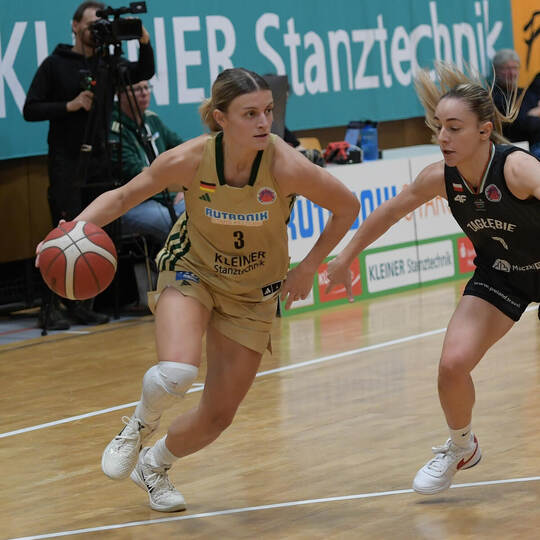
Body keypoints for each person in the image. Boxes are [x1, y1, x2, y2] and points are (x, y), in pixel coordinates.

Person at [37, 68, 359, 512]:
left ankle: (153, 466)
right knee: (177, 371)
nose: (264, 122)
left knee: (218, 416)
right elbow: (123, 197)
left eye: (268, 111)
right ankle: (137, 426)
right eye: (250, 113)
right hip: (193, 270)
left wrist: (307, 267)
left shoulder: (285, 165)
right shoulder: (190, 158)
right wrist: (70, 231)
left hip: (253, 293)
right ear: (220, 118)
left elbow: (347, 206)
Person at [326, 62, 540, 495]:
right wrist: (345, 257)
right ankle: (462, 447)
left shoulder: (517, 169)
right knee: (451, 366)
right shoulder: (440, 178)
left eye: (454, 128)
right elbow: (389, 212)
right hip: (502, 275)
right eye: (439, 126)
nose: (442, 137)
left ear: (484, 131)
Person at [23, 1, 155, 329]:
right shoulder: (55, 64)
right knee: (65, 230)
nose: (95, 31)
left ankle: (83, 303)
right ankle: (50, 307)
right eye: (90, 24)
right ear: (74, 26)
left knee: (97, 230)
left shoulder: (107, 64)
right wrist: (69, 105)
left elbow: (143, 72)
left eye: (100, 25)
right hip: (67, 160)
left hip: (101, 159)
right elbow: (30, 109)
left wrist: (144, 41)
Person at [110, 80, 185, 248]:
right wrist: (177, 183)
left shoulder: (152, 119)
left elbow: (183, 151)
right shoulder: (113, 128)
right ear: (120, 94)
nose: (144, 93)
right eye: (137, 89)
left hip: (169, 195)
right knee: (172, 222)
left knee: (201, 209)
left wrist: (184, 188)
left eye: (146, 87)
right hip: (135, 202)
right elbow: (138, 173)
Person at [491, 49, 540, 158]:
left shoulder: (524, 93)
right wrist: (534, 114)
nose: (512, 73)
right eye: (507, 68)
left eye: (515, 68)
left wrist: (532, 115)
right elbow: (523, 126)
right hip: (521, 149)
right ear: (496, 70)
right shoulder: (495, 97)